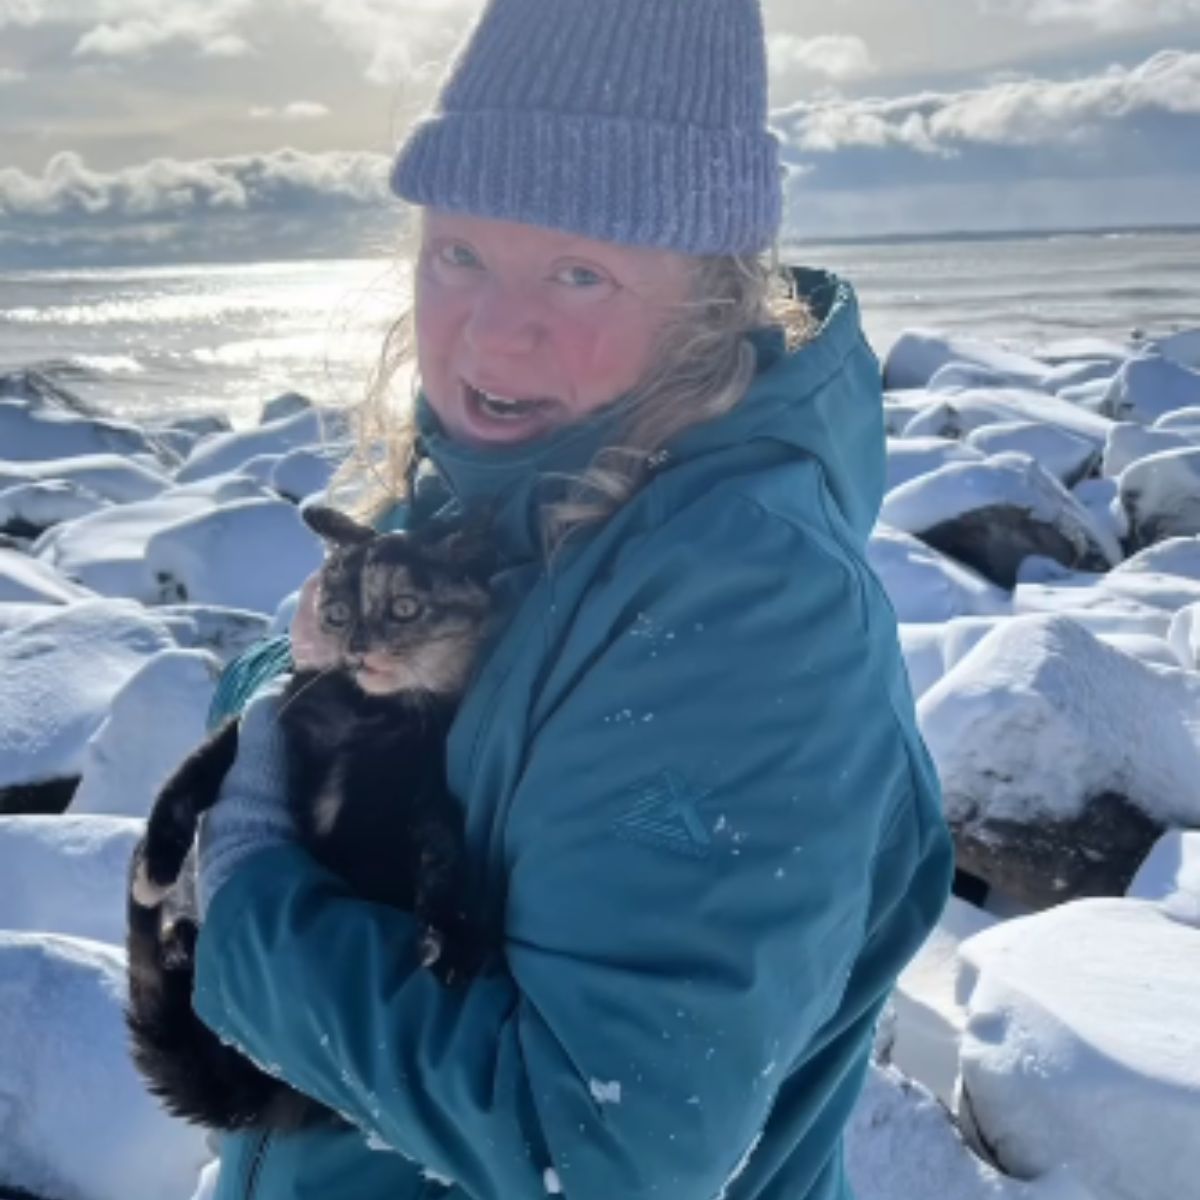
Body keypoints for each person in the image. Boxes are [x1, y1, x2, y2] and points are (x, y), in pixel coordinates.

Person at [190, 1, 954, 1197]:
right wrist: (285, 692)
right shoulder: (492, 484)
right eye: (460, 255)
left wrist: (243, 900)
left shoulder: (743, 610)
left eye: (582, 270)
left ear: (710, 293)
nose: (497, 333)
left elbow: (598, 1147)